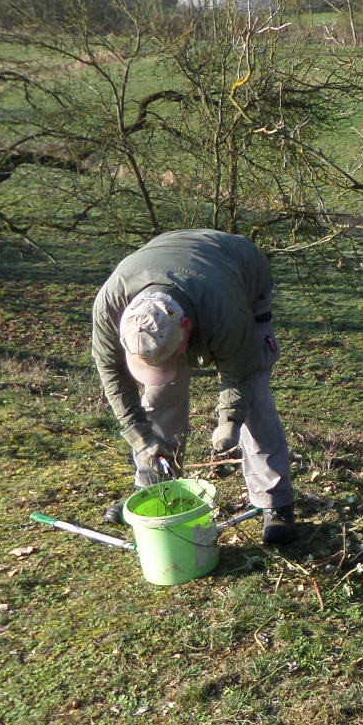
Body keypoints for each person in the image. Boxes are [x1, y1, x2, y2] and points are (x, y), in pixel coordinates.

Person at [91, 228, 297, 545]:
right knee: (160, 394)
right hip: (172, 266)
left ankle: (276, 503)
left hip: (239, 268)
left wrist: (229, 422)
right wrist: (141, 436)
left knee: (254, 398)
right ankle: (154, 489)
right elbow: (111, 373)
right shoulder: (111, 306)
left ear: (186, 329)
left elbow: (237, 374)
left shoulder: (225, 310)